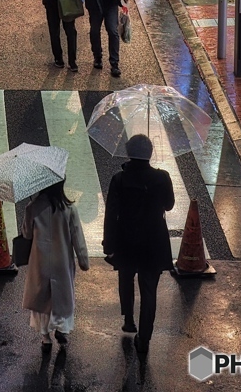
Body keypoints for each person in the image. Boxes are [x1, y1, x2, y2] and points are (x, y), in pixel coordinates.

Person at [103, 133, 175, 356]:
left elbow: (111, 213)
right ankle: (144, 337)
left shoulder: (120, 179)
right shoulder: (162, 178)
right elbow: (170, 205)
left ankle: (128, 318)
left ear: (128, 153)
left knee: (126, 277)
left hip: (126, 239)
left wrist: (109, 243)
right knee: (149, 289)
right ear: (150, 154)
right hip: (154, 241)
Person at [21, 179, 89, 350]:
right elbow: (78, 238)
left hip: (40, 261)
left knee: (42, 298)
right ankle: (62, 329)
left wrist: (29, 212)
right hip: (62, 261)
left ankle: (45, 337)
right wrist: (83, 261)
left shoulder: (33, 207)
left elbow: (27, 234)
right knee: (62, 297)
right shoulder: (69, 208)